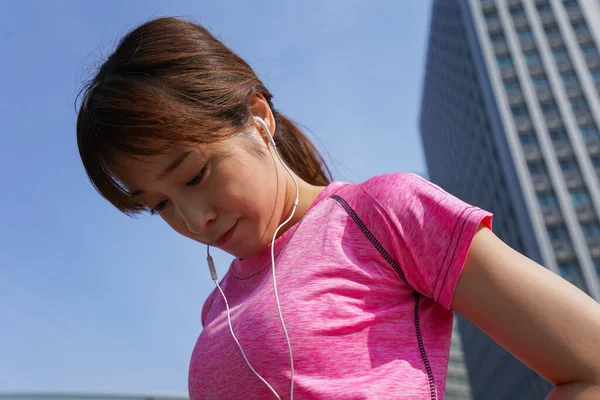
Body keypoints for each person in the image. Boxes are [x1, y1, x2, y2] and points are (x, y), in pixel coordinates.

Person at [76, 16, 600, 400]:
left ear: (258, 118)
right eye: (160, 204)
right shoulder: (217, 308)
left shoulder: (381, 214)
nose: (194, 221)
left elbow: (590, 367)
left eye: (194, 174)